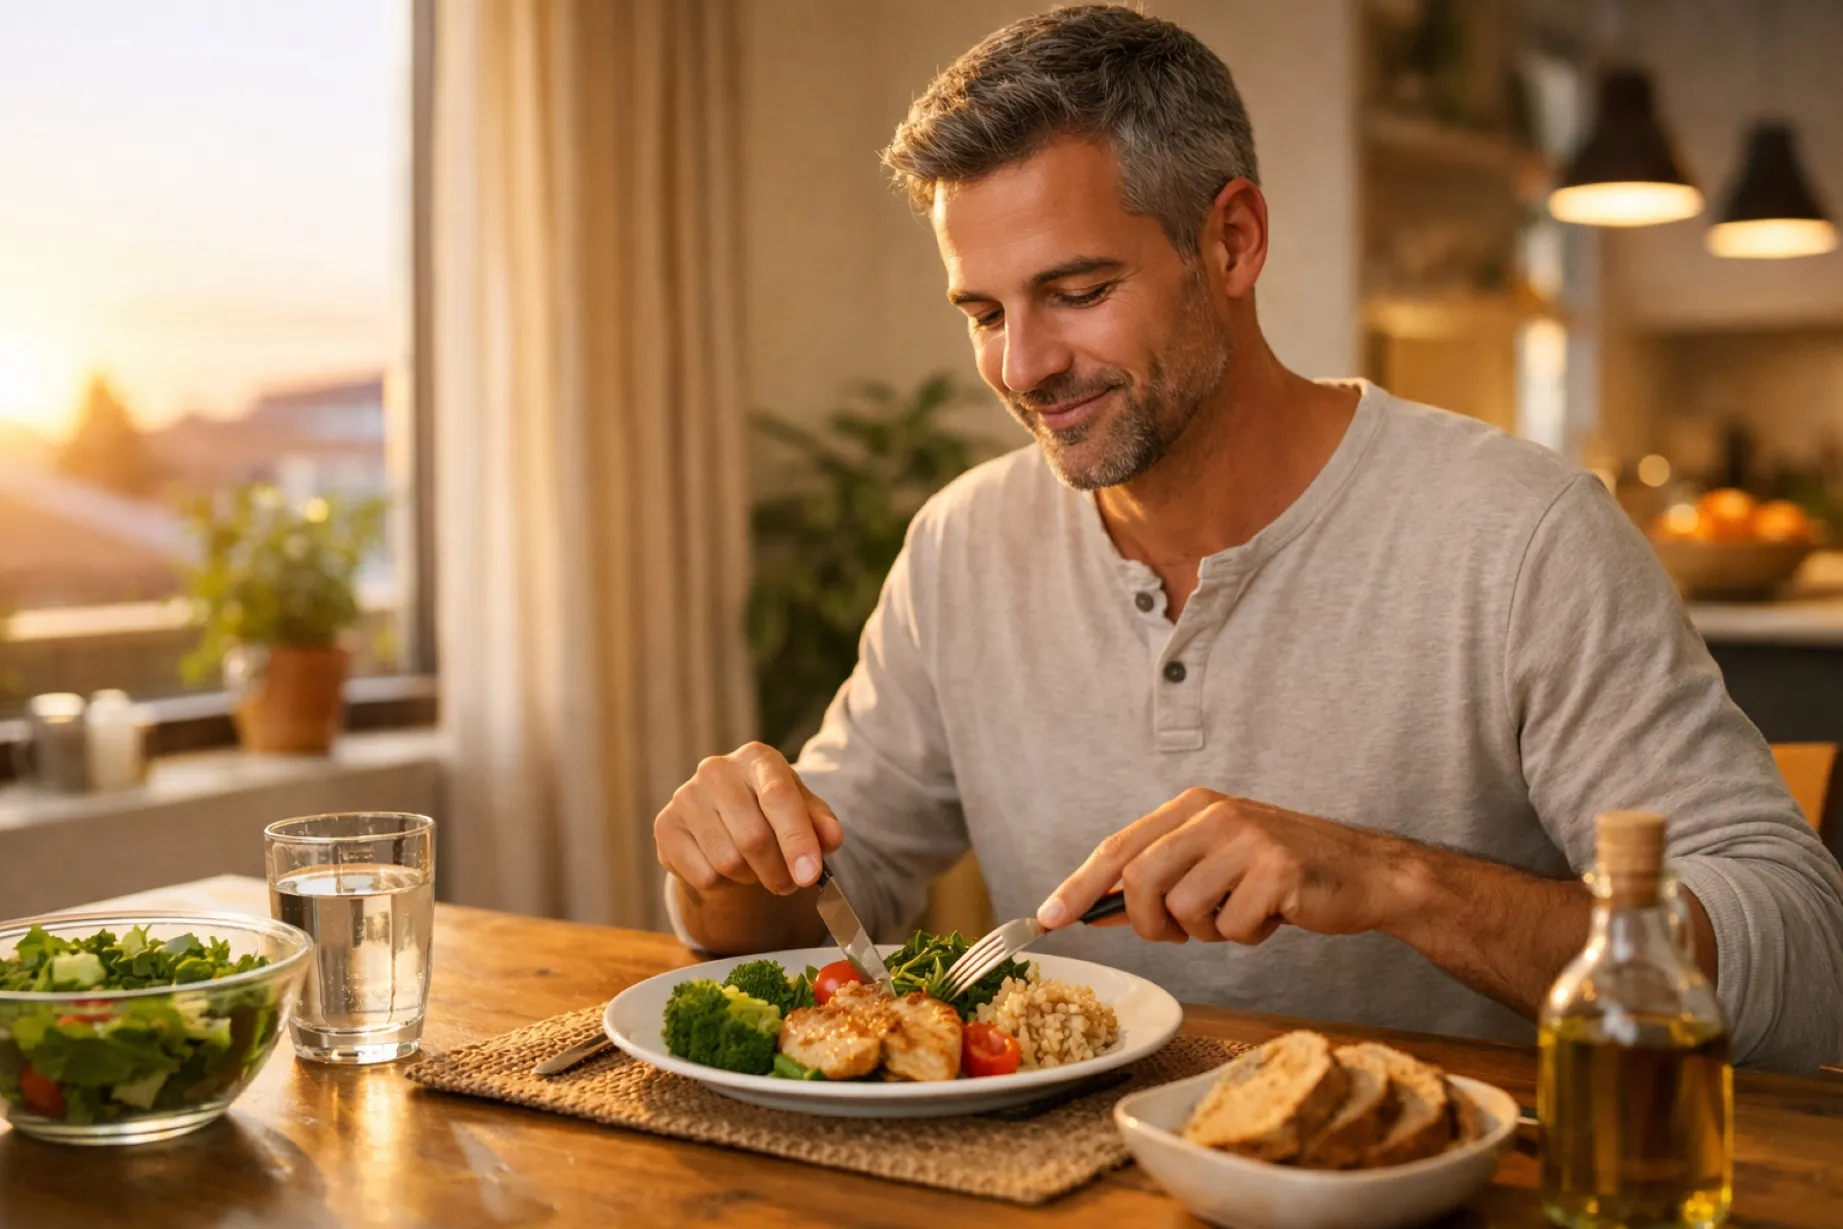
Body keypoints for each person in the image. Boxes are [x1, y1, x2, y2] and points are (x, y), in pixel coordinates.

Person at [652, 5, 1843, 1071]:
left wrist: (1394, 877)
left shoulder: (1521, 535)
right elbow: (818, 905)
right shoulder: (963, 542)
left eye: (1075, 291)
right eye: (982, 310)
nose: (1020, 366)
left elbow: (1801, 960)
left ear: (1231, 241)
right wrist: (726, 866)